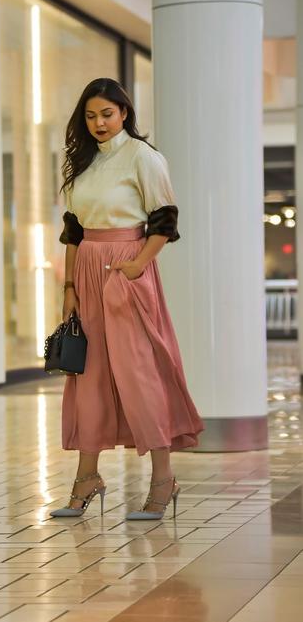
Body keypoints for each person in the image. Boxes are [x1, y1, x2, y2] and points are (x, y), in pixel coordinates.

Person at [49, 78, 204, 521]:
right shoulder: (82, 164)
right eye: (91, 115)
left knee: (140, 373)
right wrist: (69, 288)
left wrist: (138, 265)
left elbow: (165, 219)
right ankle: (86, 479)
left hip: (126, 269)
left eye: (107, 114)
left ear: (124, 113)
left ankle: (163, 479)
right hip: (87, 270)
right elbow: (73, 232)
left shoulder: (143, 157)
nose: (99, 123)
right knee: (88, 376)